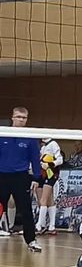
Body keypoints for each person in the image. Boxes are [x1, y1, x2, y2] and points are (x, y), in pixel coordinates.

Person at [0, 107, 42, 251]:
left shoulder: (30, 137)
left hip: (21, 177)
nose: (21, 120)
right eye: (18, 117)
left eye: (24, 118)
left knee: (26, 210)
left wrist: (36, 178)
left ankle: (31, 240)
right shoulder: (3, 134)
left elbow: (35, 159)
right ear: (12, 117)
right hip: (2, 176)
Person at [35, 136, 64, 235]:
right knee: (49, 199)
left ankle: (39, 225)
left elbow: (60, 159)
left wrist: (50, 164)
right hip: (43, 173)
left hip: (51, 173)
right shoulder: (42, 146)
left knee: (43, 199)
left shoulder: (53, 144)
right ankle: (51, 226)